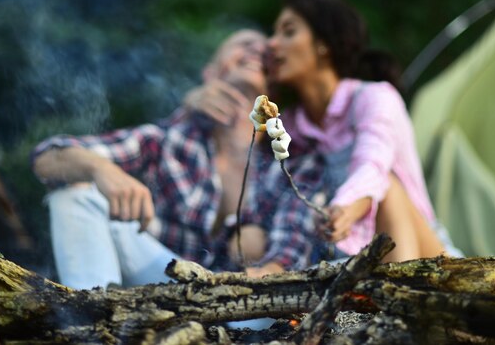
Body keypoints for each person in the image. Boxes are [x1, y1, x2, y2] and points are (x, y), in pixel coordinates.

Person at [31, 29, 312, 290]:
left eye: (264, 53)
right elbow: (47, 157)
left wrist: (250, 272)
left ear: (274, 89)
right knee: (74, 195)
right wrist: (100, 168)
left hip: (243, 304)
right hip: (162, 284)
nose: (256, 51)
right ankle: (89, 326)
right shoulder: (168, 141)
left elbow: (288, 257)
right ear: (210, 73)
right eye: (244, 45)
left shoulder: (290, 164)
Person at [264, 0, 461, 262]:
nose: (272, 44)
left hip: (427, 256)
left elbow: (373, 163)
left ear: (323, 44)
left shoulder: (374, 98)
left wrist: (347, 208)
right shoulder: (291, 126)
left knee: (387, 186)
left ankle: (403, 297)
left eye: (288, 32)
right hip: (348, 262)